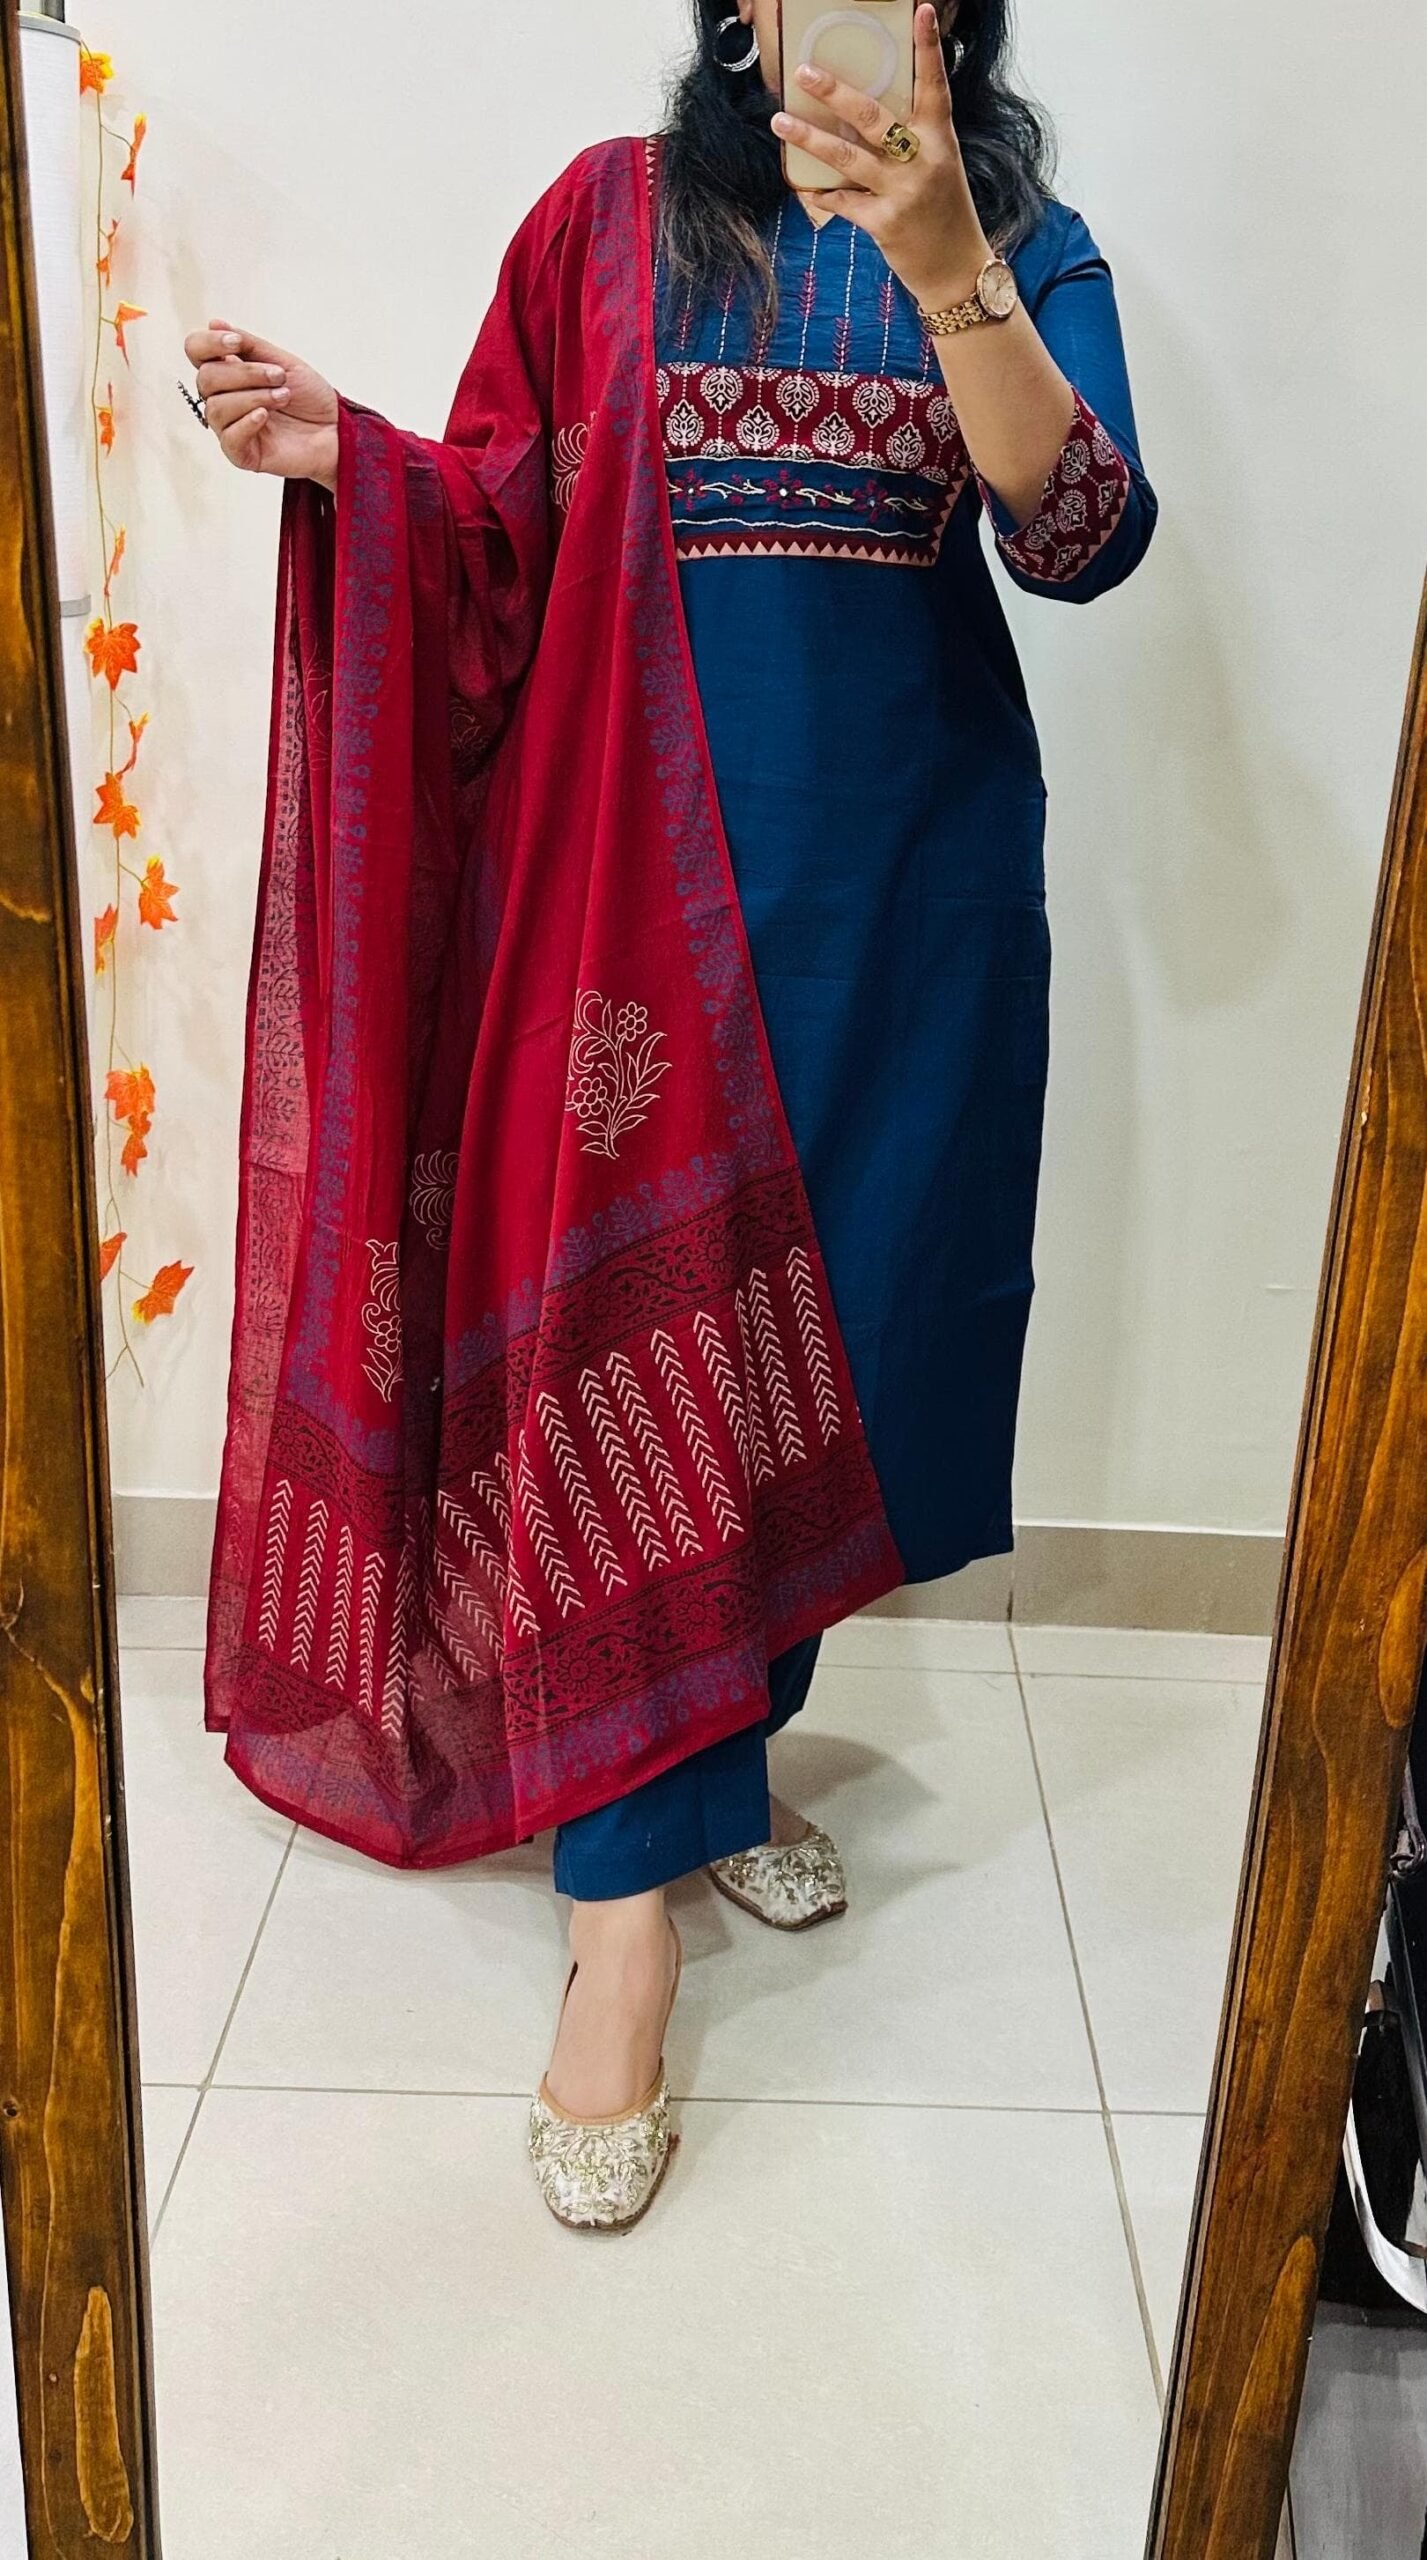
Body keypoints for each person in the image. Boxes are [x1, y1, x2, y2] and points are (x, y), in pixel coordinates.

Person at [186, 0, 1155, 2235]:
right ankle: (618, 1912)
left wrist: (951, 266)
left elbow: (1086, 532)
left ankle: (712, 1752)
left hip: (902, 907)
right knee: (622, 1362)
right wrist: (356, 458)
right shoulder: (604, 228)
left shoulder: (1023, 237)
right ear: (738, 14)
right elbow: (501, 522)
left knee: (836, 1366)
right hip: (624, 917)